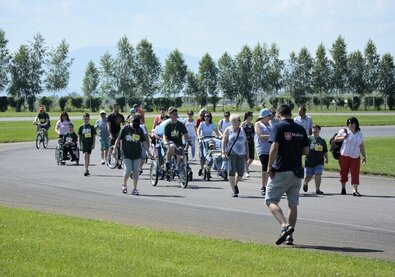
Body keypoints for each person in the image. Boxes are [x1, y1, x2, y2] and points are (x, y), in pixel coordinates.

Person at [266, 104, 309, 246]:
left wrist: (269, 166)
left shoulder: (277, 127)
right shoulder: (300, 128)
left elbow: (274, 148)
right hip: (296, 171)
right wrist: (293, 149)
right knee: (293, 204)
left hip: (281, 170)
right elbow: (306, 151)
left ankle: (285, 225)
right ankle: (289, 237)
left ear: (279, 114)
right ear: (290, 114)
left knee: (270, 200)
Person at [113, 114, 152, 195]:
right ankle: (124, 184)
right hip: (126, 153)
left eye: (137, 125)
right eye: (134, 124)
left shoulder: (139, 130)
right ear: (130, 122)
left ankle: (135, 188)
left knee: (136, 171)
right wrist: (114, 149)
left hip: (136, 153)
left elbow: (143, 142)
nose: (135, 126)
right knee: (128, 170)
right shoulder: (125, 128)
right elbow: (118, 139)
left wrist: (148, 152)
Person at [334, 117, 367, 196]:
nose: (350, 125)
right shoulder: (344, 131)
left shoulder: (359, 133)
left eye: (352, 123)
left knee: (355, 173)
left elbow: (361, 145)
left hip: (355, 157)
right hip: (344, 156)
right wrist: (343, 137)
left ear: (356, 124)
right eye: (349, 123)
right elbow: (336, 139)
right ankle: (343, 188)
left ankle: (355, 190)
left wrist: (364, 156)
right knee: (343, 172)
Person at [222, 114, 248, 197]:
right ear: (233, 122)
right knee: (232, 171)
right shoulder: (228, 130)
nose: (240, 122)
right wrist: (223, 151)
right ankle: (234, 190)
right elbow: (224, 141)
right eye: (238, 120)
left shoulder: (242, 130)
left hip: (241, 154)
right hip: (231, 154)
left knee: (241, 173)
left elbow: (245, 142)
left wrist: (247, 152)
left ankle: (235, 183)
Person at [302, 125, 328, 194]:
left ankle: (317, 189)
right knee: (308, 176)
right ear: (312, 130)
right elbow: (303, 148)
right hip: (309, 161)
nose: (315, 130)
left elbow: (325, 151)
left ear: (319, 130)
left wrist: (326, 158)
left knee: (318, 174)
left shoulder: (322, 140)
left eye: (316, 129)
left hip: (319, 161)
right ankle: (305, 183)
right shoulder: (308, 139)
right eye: (314, 129)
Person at [254, 108, 273, 196]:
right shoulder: (258, 124)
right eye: (269, 115)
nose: (270, 117)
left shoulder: (270, 124)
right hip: (262, 148)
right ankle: (263, 186)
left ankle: (270, 185)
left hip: (271, 148)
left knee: (272, 167)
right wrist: (273, 137)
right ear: (264, 116)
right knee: (265, 166)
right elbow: (261, 136)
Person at [196, 112, 221, 176]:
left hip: (209, 141)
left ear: (210, 117)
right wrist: (199, 136)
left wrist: (219, 136)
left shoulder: (212, 124)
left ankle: (208, 168)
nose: (207, 118)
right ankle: (202, 169)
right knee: (202, 156)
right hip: (202, 140)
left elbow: (216, 131)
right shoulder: (202, 124)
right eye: (205, 116)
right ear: (204, 117)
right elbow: (198, 130)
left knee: (210, 155)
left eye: (208, 116)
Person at [241, 111, 254, 177]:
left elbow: (253, 133)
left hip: (251, 142)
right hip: (245, 142)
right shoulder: (243, 124)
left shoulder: (252, 124)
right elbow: (240, 132)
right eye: (251, 116)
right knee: (246, 157)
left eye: (252, 116)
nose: (252, 117)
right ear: (247, 116)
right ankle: (247, 171)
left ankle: (244, 168)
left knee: (251, 158)